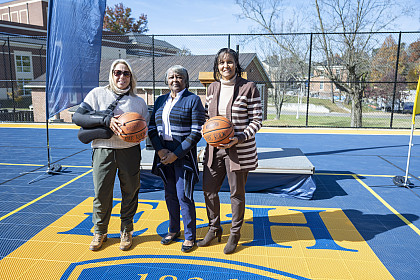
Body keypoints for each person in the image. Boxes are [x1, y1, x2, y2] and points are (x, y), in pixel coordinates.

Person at [72, 59, 148, 251]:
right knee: (101, 193)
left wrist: (136, 131)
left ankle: (126, 230)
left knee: (130, 192)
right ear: (111, 75)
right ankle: (100, 231)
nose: (121, 76)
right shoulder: (97, 94)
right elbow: (77, 117)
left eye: (126, 73)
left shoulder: (138, 102)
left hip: (129, 151)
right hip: (102, 150)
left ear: (131, 77)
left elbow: (144, 129)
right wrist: (106, 120)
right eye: (117, 72)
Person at [197, 48, 262, 254]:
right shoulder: (212, 88)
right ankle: (214, 227)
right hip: (214, 149)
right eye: (222, 63)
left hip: (239, 149)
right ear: (217, 66)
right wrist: (206, 130)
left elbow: (257, 120)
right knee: (209, 188)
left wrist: (240, 138)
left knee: (236, 194)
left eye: (230, 62)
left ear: (236, 65)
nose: (226, 66)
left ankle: (234, 233)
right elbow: (209, 119)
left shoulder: (248, 87)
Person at [148, 65, 205, 253]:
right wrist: (160, 150)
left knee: (184, 196)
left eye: (179, 77)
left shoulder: (193, 100)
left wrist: (176, 154)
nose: (175, 80)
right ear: (167, 80)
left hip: (183, 155)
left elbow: (196, 133)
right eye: (171, 77)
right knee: (170, 194)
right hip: (164, 154)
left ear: (186, 80)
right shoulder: (160, 100)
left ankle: (190, 236)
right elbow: (151, 129)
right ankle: (173, 230)